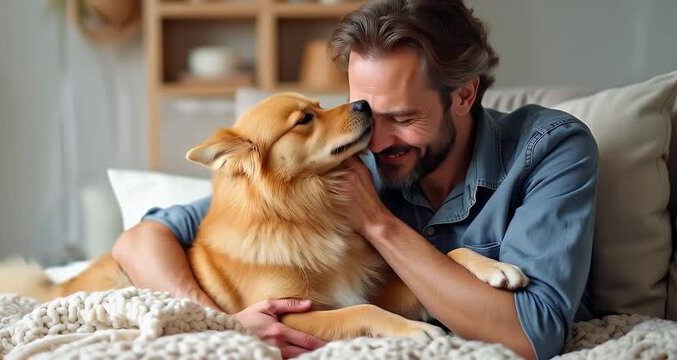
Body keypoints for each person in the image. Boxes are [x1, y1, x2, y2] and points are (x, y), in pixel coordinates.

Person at [111, 1, 598, 359]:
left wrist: (377, 224)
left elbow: (532, 335)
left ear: (465, 96)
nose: (375, 139)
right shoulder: (342, 157)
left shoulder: (549, 149)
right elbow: (140, 241)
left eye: (403, 118)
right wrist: (219, 322)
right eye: (365, 110)